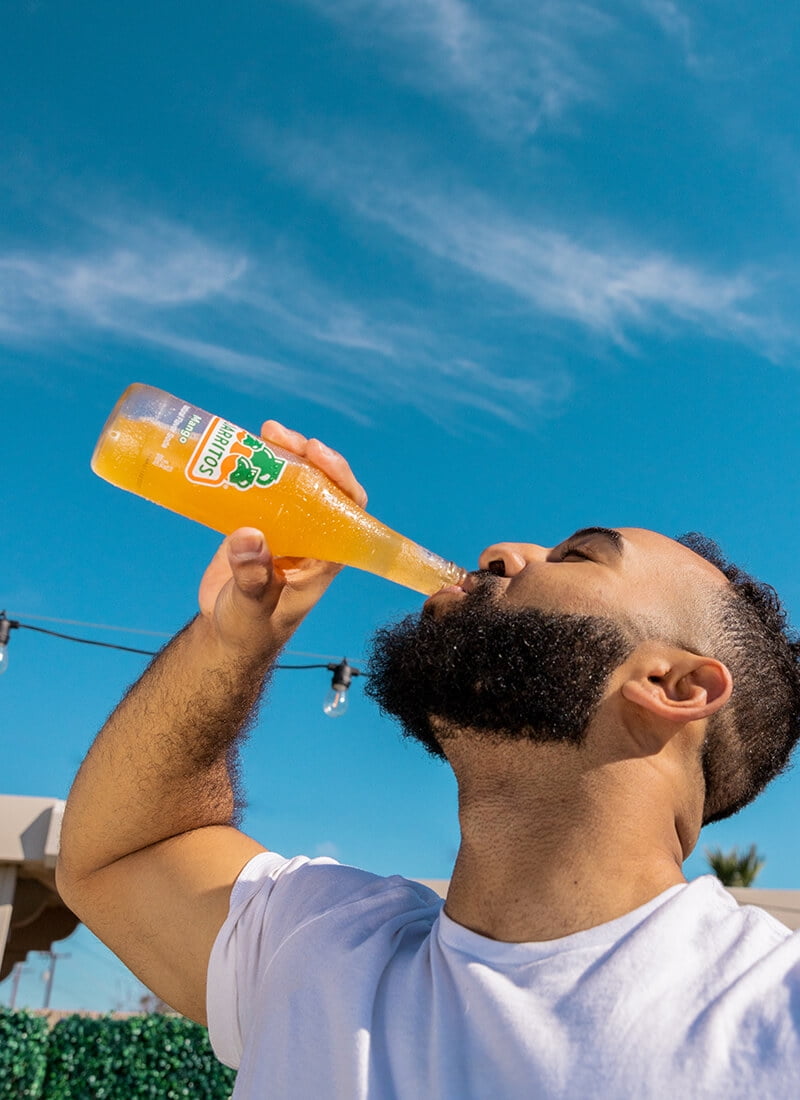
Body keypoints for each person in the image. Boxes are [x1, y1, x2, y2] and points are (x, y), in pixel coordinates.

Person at [57, 420, 800, 1099]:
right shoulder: (321, 946)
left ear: (675, 686)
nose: (501, 553)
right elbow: (120, 853)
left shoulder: (773, 1018)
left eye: (577, 555)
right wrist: (231, 645)